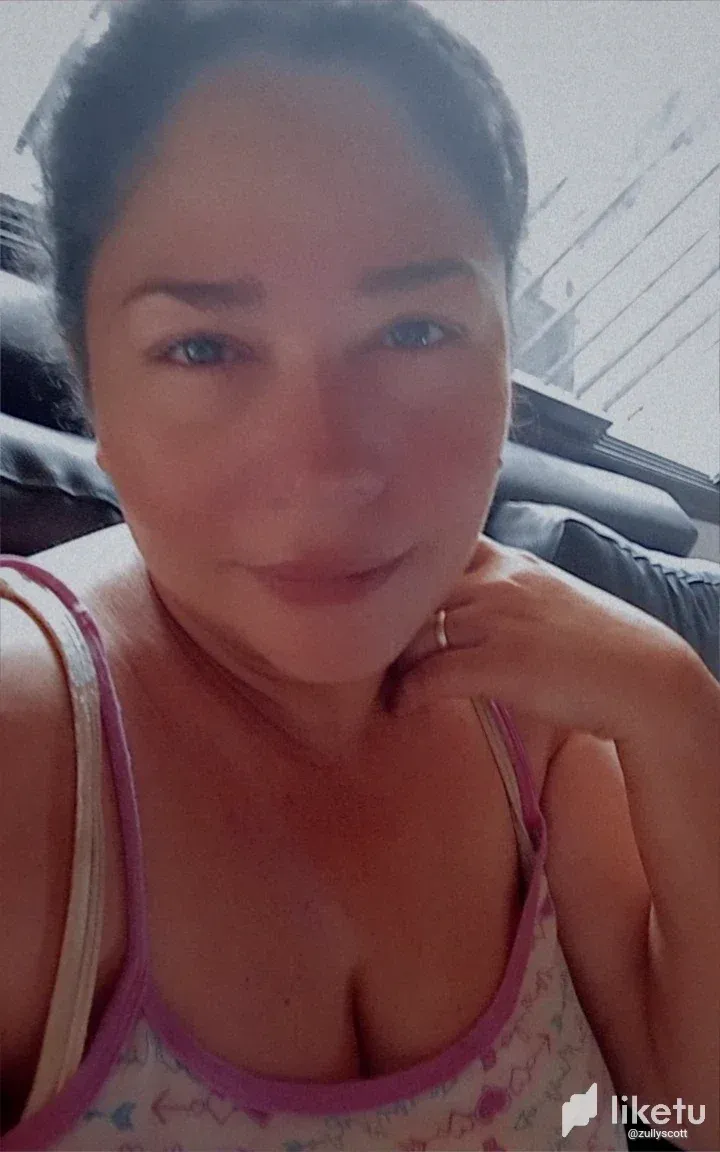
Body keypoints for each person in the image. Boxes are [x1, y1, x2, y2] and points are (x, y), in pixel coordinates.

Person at [1, 3, 718, 1150]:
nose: (326, 470)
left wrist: (681, 714)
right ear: (93, 392)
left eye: (415, 331)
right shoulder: (28, 753)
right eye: (204, 347)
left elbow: (691, 1111)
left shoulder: (539, 698)